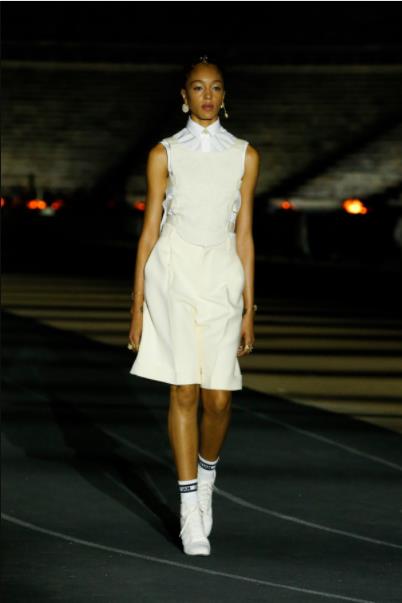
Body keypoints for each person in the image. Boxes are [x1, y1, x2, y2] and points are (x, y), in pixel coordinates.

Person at [127, 55, 260, 556]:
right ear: (184, 96)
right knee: (183, 388)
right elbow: (149, 231)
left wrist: (249, 307)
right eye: (199, 88)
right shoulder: (164, 153)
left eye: (216, 87)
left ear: (225, 96)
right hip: (174, 272)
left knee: (219, 397)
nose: (207, 96)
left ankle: (206, 480)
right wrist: (137, 304)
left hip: (222, 273)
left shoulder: (245, 154)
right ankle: (189, 510)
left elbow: (245, 234)